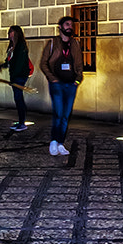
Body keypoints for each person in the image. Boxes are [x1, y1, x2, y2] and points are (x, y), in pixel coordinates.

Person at [40, 16, 82, 156]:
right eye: (67, 24)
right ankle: (53, 141)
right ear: (61, 27)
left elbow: (79, 65)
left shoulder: (75, 44)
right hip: (57, 84)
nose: (70, 27)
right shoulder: (53, 43)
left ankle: (60, 143)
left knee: (66, 115)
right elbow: (43, 63)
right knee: (58, 113)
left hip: (71, 84)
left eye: (72, 25)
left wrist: (77, 80)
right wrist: (52, 79)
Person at [2, 25, 33, 131]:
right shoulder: (12, 46)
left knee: (19, 99)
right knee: (18, 98)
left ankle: (22, 122)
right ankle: (20, 121)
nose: (9, 34)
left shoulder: (20, 46)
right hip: (15, 76)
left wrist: (14, 78)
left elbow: (19, 64)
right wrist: (5, 64)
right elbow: (10, 60)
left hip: (19, 76)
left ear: (16, 33)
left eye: (11, 32)